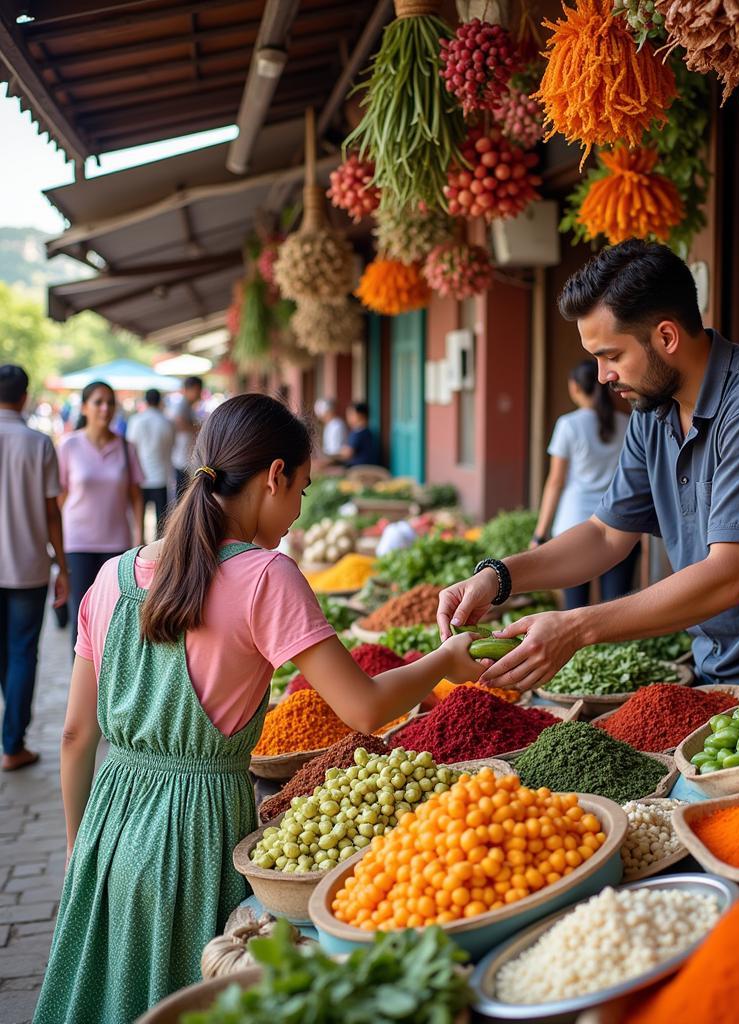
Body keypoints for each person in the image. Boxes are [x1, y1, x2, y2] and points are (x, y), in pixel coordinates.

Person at [33, 394, 485, 1024]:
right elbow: (364, 708)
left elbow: (76, 735)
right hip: (192, 837)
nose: (299, 511)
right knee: (186, 1003)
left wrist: (84, 848)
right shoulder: (268, 576)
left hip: (107, 825)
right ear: (274, 475)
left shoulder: (111, 577)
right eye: (301, 488)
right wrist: (445, 662)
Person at [437, 240, 739, 701]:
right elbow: (606, 534)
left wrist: (577, 627)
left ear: (666, 337)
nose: (603, 376)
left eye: (612, 355)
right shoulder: (652, 411)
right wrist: (498, 577)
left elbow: (731, 574)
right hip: (716, 667)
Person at [0, 365, 69, 771]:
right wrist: (63, 566)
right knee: (23, 652)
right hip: (28, 567)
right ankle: (13, 745)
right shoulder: (38, 443)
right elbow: (52, 514)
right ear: (24, 396)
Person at [533, 359, 638, 609]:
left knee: (574, 610)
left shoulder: (568, 425)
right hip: (619, 524)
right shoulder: (626, 423)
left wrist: (540, 533)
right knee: (615, 610)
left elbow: (555, 482)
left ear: (574, 387)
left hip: (574, 527)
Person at [58, 380, 145, 659]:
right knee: (82, 618)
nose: (105, 408)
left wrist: (139, 537)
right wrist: (55, 544)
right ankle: (81, 691)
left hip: (116, 544)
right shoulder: (69, 446)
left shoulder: (126, 448)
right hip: (77, 543)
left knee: (115, 618)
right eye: (98, 402)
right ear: (84, 407)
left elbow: (135, 496)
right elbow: (59, 497)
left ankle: (110, 685)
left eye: (110, 402)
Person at [127, 388, 175, 541]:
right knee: (161, 521)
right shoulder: (167, 422)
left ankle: (138, 547)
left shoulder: (136, 421)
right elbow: (171, 446)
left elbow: (130, 448)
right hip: (161, 476)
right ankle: (159, 553)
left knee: (138, 518)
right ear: (159, 401)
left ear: (145, 401)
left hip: (140, 477)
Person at [168, 375, 204, 495]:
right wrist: (198, 428)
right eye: (199, 390)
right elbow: (179, 423)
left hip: (184, 457)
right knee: (181, 493)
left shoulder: (187, 405)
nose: (200, 393)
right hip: (181, 458)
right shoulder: (182, 404)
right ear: (192, 389)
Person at [340, 401, 381, 467]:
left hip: (361, 470)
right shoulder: (360, 431)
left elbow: (347, 454)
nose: (348, 417)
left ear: (360, 415)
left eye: (351, 414)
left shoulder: (361, 432)